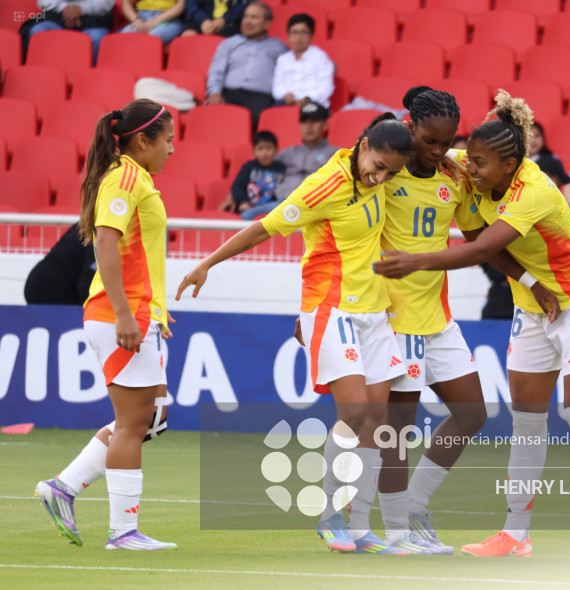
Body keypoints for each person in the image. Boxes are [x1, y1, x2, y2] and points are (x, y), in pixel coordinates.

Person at [375, 90, 570, 561]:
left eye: (478, 163)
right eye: (468, 159)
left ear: (510, 163)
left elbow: (480, 250)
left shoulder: (535, 190)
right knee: (527, 422)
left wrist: (416, 260)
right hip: (531, 304)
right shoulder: (471, 163)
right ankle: (515, 534)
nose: (467, 170)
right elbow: (431, 151)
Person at [176, 113, 414, 555]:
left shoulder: (381, 172)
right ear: (363, 145)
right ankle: (329, 516)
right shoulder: (324, 186)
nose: (380, 177)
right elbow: (263, 228)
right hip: (332, 307)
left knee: (379, 422)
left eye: (390, 172)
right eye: (377, 166)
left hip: (375, 312)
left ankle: (360, 526)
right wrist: (208, 262)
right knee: (356, 413)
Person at [35, 99, 178, 550]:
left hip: (141, 313)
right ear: (142, 140)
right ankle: (122, 531)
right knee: (135, 422)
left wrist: (150, 311)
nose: (172, 149)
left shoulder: (136, 178)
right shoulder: (125, 177)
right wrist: (123, 313)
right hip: (122, 314)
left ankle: (65, 486)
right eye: (168, 139)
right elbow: (105, 243)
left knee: (150, 419)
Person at [377, 86, 501, 555]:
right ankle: (396, 534)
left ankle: (413, 505)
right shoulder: (382, 170)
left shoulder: (454, 176)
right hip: (394, 317)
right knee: (397, 430)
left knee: (472, 412)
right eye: (430, 140)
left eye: (447, 141)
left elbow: (478, 240)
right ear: (411, 128)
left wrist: (526, 281)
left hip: (439, 317)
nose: (439, 150)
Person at [205, 2, 286, 132]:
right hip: (228, 94)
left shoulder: (279, 47)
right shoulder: (229, 43)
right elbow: (216, 71)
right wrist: (215, 92)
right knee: (211, 120)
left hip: (259, 98)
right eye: (246, 17)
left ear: (267, 23)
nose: (248, 21)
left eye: (254, 17)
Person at [274, 101, 339, 200]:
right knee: (248, 214)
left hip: (312, 204)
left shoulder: (336, 154)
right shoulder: (290, 152)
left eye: (314, 121)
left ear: (325, 125)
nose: (308, 126)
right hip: (281, 202)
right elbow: (260, 164)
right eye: (304, 122)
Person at [217, 131, 286, 219]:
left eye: (269, 148)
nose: (264, 153)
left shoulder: (282, 169)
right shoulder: (248, 167)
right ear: (254, 151)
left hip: (275, 207)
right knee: (246, 215)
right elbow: (237, 187)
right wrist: (243, 202)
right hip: (251, 207)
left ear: (276, 150)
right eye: (260, 149)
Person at [272, 13, 334, 109]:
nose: (299, 37)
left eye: (303, 32)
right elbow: (277, 87)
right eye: (294, 32)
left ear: (311, 36)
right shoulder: (283, 59)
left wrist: (308, 99)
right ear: (288, 36)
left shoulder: (320, 57)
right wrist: (285, 95)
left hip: (313, 103)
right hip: (288, 102)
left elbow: (326, 87)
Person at [24, 223, 96, 305]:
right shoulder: (99, 229)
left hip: (45, 283)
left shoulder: (90, 223)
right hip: (51, 288)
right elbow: (87, 280)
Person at [27, 0, 115, 62]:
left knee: (98, 38)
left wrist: (81, 9)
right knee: (37, 31)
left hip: (92, 18)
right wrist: (68, 11)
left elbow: (107, 2)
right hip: (58, 17)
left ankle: (92, 79)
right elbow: (45, 1)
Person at [527, 121, 570, 188]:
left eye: (537, 136)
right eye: (529, 136)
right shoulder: (515, 161)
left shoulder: (550, 161)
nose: (532, 140)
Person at [119, 0, 186, 45]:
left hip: (168, 18)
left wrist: (156, 21)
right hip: (142, 17)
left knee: (151, 37)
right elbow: (126, 3)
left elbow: (180, 5)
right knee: (124, 36)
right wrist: (135, 19)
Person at [181, 0, 250, 37]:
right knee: (188, 35)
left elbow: (246, 6)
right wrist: (204, 20)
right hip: (201, 19)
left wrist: (224, 19)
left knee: (221, 38)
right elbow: (191, 6)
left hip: (230, 21)